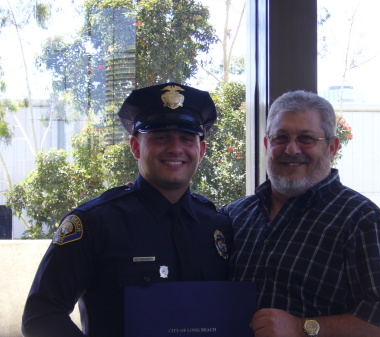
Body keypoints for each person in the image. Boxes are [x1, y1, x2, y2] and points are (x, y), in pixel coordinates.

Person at [22, 83, 232, 337]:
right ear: (135, 147)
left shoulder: (217, 225)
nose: (175, 148)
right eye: (160, 137)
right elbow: (41, 316)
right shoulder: (94, 223)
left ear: (201, 150)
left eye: (187, 138)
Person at [221, 90, 380, 337]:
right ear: (266, 144)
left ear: (332, 147)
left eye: (306, 139)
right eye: (280, 137)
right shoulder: (234, 215)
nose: (291, 149)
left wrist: (302, 327)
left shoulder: (364, 222)